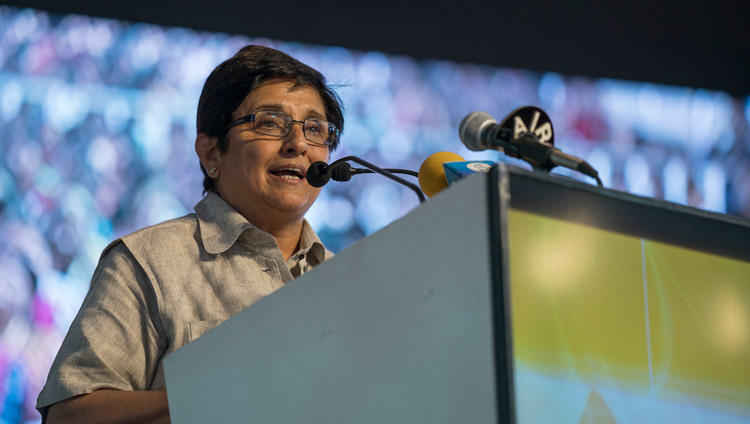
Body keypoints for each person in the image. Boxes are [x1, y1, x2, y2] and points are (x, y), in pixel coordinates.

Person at [36, 45, 344, 423]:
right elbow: (70, 416)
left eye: (315, 129)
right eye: (269, 122)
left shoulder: (346, 280)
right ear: (211, 154)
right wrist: (218, 392)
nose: (298, 144)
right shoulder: (147, 262)